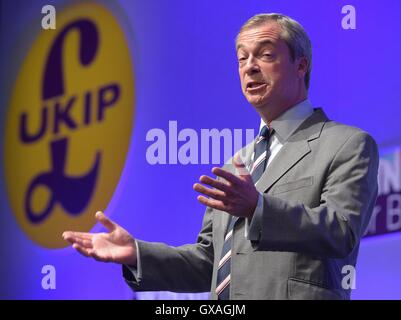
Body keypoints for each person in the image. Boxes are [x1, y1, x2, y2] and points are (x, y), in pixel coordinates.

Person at [63, 13, 379, 300]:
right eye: (242, 58)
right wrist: (136, 254)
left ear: (301, 65)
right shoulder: (238, 162)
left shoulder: (347, 143)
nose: (250, 66)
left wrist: (259, 208)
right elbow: (210, 263)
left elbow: (342, 231)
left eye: (265, 55)